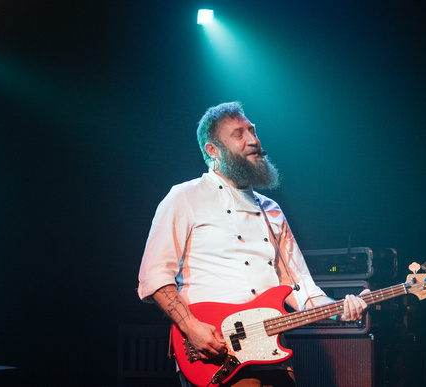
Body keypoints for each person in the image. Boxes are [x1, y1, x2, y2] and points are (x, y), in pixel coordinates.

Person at [137, 102, 368, 386]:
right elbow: (154, 276)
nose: (253, 141)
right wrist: (191, 327)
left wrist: (338, 309)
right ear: (213, 150)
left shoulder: (272, 210)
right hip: (215, 351)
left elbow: (300, 285)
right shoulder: (184, 197)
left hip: (270, 349)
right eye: (239, 134)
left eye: (253, 131)